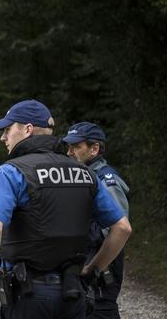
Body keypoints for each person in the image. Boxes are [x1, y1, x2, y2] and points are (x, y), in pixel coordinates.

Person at [0, 99, 132, 319]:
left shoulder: (11, 172)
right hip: (73, 294)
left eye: (7, 129)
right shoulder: (84, 172)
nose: (3, 137)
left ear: (27, 130)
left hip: (27, 295)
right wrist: (93, 269)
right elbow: (122, 228)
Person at [62, 122, 130, 319]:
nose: (69, 152)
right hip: (87, 270)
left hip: (100, 275)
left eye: (75, 147)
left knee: (101, 312)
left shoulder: (106, 181)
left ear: (94, 148)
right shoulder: (84, 177)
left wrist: (93, 269)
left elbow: (118, 231)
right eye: (68, 147)